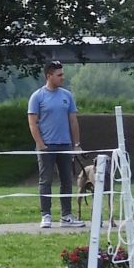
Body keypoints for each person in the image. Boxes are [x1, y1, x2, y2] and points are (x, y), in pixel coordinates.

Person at [26, 61, 84, 229]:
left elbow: (73, 121)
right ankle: (46, 215)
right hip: (46, 146)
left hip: (65, 145)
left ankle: (66, 215)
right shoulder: (37, 96)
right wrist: (41, 144)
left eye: (62, 74)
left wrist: (76, 144)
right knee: (45, 180)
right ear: (49, 76)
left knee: (67, 180)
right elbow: (32, 123)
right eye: (59, 75)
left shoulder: (67, 95)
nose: (62, 78)